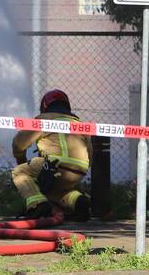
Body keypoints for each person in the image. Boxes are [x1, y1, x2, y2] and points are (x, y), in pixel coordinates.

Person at [11, 89, 92, 221]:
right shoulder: (80, 124)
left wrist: (21, 160)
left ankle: (38, 205)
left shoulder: (43, 119)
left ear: (45, 106)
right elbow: (90, 153)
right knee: (59, 193)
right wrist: (79, 171)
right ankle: (79, 202)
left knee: (19, 172)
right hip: (78, 170)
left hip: (54, 166)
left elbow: (19, 144)